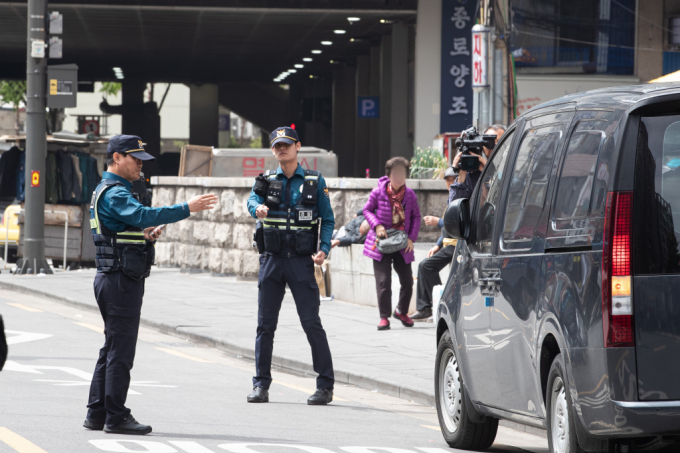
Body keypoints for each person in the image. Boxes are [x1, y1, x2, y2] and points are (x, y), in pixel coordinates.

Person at [85, 135, 218, 435]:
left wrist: (142, 237)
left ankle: (97, 412)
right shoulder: (116, 193)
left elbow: (118, 232)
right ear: (117, 158)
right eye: (136, 159)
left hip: (112, 276)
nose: (140, 167)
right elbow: (143, 214)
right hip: (120, 280)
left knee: (111, 346)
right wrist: (187, 207)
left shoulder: (106, 189)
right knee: (121, 351)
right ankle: (115, 416)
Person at [246, 126, 336, 406]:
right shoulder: (265, 180)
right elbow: (251, 200)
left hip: (300, 261)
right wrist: (255, 209)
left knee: (311, 323)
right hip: (271, 260)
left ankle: (325, 386)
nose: (281, 149)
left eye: (286, 144)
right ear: (273, 150)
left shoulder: (314, 180)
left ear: (298, 147)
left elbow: (328, 219)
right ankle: (260, 385)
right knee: (265, 326)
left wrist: (323, 249)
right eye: (276, 146)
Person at [411, 125, 506, 321]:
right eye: (487, 141)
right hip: (468, 241)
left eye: (495, 141)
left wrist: (487, 170)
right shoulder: (471, 172)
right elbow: (454, 206)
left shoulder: (508, 163)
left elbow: (501, 200)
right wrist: (460, 173)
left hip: (496, 239)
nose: (492, 146)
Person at [363, 157, 421, 330]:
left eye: (402, 172)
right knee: (383, 281)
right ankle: (384, 317)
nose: (399, 176)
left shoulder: (410, 195)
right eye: (395, 172)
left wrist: (411, 238)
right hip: (381, 243)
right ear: (389, 175)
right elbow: (367, 210)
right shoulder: (378, 192)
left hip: (402, 242)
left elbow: (416, 217)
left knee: (407, 281)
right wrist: (377, 224)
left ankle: (401, 311)